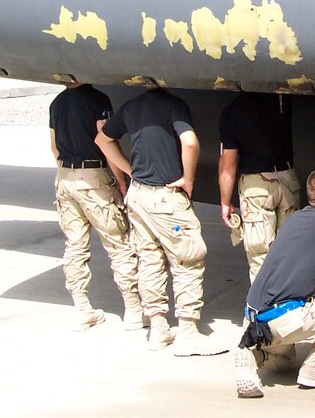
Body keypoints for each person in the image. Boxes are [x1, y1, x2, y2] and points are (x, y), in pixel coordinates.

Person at [95, 83, 224, 357]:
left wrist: (130, 170)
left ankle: (158, 327)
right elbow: (189, 141)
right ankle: (188, 332)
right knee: (188, 258)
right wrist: (188, 179)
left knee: (150, 259)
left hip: (139, 196)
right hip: (167, 198)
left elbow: (103, 140)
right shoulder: (174, 105)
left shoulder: (131, 106)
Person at [234, 167, 315, 398]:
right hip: (284, 320)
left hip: (254, 320)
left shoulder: (294, 219)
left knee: (284, 364)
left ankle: (254, 356)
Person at [48, 79, 141, 331]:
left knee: (75, 245)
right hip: (94, 178)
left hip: (65, 178)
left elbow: (55, 147)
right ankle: (133, 310)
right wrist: (123, 178)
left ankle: (82, 308)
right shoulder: (98, 100)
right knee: (118, 243)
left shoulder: (56, 103)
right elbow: (106, 142)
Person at [218, 93, 300, 283]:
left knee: (260, 253)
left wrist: (225, 202)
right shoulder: (281, 100)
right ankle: (288, 302)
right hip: (288, 179)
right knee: (290, 250)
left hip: (257, 186)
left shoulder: (231, 112)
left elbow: (228, 164)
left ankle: (264, 305)